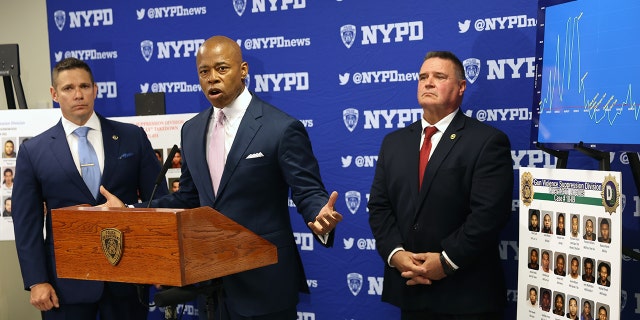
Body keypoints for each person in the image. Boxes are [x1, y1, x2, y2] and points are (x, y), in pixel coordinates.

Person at [101, 36, 342, 319]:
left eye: (222, 69)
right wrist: (129, 211)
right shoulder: (191, 130)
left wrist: (320, 216)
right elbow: (188, 197)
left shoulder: (281, 128)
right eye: (204, 72)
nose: (212, 78)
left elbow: (307, 191)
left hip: (264, 283)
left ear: (243, 70)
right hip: (211, 284)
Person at [11, 57, 168, 320]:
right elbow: (26, 222)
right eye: (68, 88)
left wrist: (161, 263)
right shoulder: (33, 151)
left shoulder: (132, 136)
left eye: (84, 86)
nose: (78, 94)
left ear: (96, 89)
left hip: (127, 277)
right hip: (65, 284)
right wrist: (37, 280)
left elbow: (159, 201)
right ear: (54, 94)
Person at [368, 50, 513, 319]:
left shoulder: (487, 141)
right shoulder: (394, 143)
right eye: (423, 77)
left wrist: (445, 262)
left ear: (461, 88)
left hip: (466, 295)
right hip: (411, 289)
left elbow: (489, 215)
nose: (428, 82)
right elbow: (379, 207)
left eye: (439, 76)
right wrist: (396, 254)